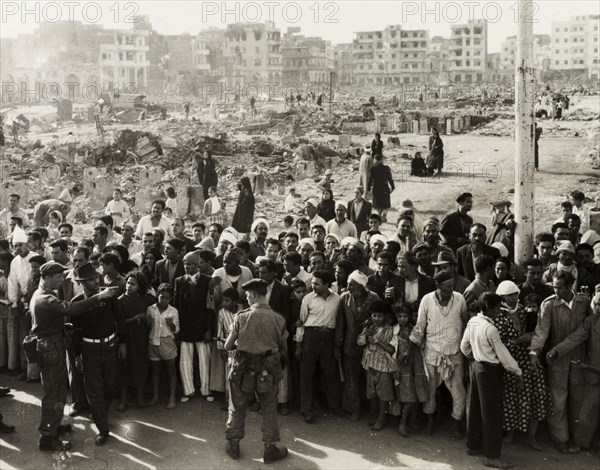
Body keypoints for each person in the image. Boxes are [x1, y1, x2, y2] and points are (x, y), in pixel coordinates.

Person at [30, 261, 118, 451]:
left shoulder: (44, 294)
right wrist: (98, 297)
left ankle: (52, 427)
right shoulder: (45, 298)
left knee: (57, 390)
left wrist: (63, 327)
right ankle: (48, 437)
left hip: (51, 344)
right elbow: (70, 308)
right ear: (46, 278)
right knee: (55, 393)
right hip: (50, 347)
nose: (63, 280)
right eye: (59, 277)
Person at [224, 279, 289, 464]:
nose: (246, 298)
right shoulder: (278, 318)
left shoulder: (241, 316)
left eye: (247, 295)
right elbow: (283, 347)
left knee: (237, 406)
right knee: (269, 407)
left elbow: (229, 345)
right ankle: (270, 448)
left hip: (242, 367)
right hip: (268, 368)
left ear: (253, 294)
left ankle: (234, 445)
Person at [530, 271, 593, 454]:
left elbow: (587, 331)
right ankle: (560, 438)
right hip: (556, 358)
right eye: (554, 286)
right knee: (558, 399)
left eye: (559, 287)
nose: (555, 290)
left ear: (570, 286)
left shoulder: (584, 302)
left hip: (578, 357)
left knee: (577, 398)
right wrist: (535, 351)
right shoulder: (549, 304)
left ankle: (577, 437)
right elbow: (541, 330)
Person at [461, 292, 523, 470]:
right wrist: (517, 371)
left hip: (477, 367)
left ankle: (473, 445)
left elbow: (464, 346)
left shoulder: (473, 322)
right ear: (489, 308)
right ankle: (491, 455)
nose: (499, 311)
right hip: (489, 370)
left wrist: (475, 358)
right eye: (497, 308)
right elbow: (503, 355)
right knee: (492, 414)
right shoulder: (491, 329)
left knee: (475, 407)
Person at [71, 262, 127, 447]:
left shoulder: (110, 296)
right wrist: (77, 355)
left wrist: (123, 343)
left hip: (110, 346)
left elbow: (120, 320)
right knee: (94, 390)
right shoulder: (77, 302)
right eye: (90, 279)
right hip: (89, 350)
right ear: (82, 282)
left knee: (110, 385)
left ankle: (100, 413)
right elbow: (75, 332)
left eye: (96, 277)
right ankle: (103, 428)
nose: (96, 281)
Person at [494, 281, 552, 450]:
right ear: (501, 297)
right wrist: (520, 340)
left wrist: (530, 341)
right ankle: (511, 433)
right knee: (513, 398)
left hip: (529, 359)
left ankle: (531, 436)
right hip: (512, 362)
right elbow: (499, 344)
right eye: (508, 295)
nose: (513, 298)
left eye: (515, 294)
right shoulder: (499, 315)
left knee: (536, 394)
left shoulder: (522, 309)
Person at [410, 270, 468, 438]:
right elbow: (420, 325)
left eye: (452, 286)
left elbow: (464, 322)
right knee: (430, 391)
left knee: (459, 393)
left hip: (454, 353)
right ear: (438, 286)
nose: (451, 289)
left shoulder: (459, 299)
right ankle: (430, 423)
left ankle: (456, 425)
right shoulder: (427, 300)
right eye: (447, 286)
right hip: (432, 353)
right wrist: (413, 347)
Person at [546, 292, 600, 455]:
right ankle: (581, 442)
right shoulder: (591, 322)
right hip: (594, 373)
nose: (598, 308)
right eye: (596, 304)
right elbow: (575, 338)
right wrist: (556, 350)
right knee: (588, 408)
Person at [295, 270, 344, 423]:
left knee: (330, 373)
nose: (313, 285)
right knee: (307, 374)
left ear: (327, 285)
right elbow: (301, 323)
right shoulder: (308, 299)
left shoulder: (337, 300)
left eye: (317, 283)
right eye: (313, 282)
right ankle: (306, 410)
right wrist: (298, 345)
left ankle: (333, 406)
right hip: (310, 337)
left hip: (328, 338)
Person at [335, 270, 380, 421]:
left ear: (362, 286)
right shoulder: (344, 298)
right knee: (351, 380)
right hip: (349, 345)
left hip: (370, 345)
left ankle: (373, 412)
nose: (349, 288)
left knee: (370, 379)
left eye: (353, 286)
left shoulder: (373, 298)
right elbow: (340, 323)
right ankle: (355, 410)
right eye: (348, 285)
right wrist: (338, 345)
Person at [174, 252, 215, 402]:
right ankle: (188, 390)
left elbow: (210, 308)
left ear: (197, 265)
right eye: (185, 263)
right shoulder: (179, 281)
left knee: (205, 360)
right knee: (185, 361)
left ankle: (206, 390)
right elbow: (176, 305)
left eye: (190, 264)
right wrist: (177, 330)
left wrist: (209, 329)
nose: (186, 266)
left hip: (202, 327)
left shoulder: (206, 281)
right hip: (185, 327)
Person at [117, 271, 154, 411]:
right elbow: (119, 323)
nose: (129, 286)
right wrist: (135, 318)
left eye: (133, 284)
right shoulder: (120, 301)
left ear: (140, 286)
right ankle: (124, 399)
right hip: (126, 337)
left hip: (140, 336)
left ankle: (140, 397)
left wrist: (147, 320)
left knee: (140, 364)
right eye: (128, 283)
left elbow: (156, 305)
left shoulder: (144, 299)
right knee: (124, 367)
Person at [357, 300, 397, 431]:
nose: (376, 319)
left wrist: (377, 341)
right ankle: (374, 415)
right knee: (372, 393)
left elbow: (392, 349)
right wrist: (366, 335)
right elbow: (360, 342)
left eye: (379, 316)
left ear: (385, 316)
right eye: (374, 315)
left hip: (384, 366)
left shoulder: (390, 330)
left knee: (383, 395)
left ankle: (381, 418)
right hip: (370, 364)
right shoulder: (368, 327)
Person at [390, 303, 429, 437]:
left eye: (405, 316)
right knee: (408, 396)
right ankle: (403, 421)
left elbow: (418, 343)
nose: (403, 319)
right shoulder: (394, 330)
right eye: (400, 316)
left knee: (416, 394)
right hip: (402, 366)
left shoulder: (414, 329)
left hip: (415, 365)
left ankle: (411, 421)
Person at [367, 153, 395, 223]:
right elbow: (390, 178)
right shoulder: (386, 168)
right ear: (381, 160)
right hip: (385, 188)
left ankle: (379, 216)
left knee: (378, 205)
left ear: (375, 160)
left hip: (376, 189)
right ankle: (384, 214)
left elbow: (370, 180)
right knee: (386, 205)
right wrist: (392, 187)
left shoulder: (372, 168)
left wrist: (368, 189)